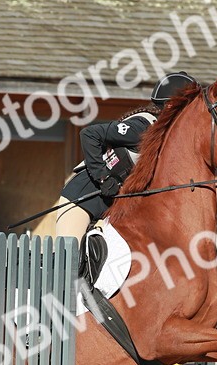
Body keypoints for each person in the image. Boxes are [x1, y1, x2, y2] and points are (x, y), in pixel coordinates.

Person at [53, 71, 197, 240]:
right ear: (171, 106)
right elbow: (89, 134)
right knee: (70, 261)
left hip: (115, 209)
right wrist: (103, 178)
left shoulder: (170, 139)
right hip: (83, 200)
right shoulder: (142, 128)